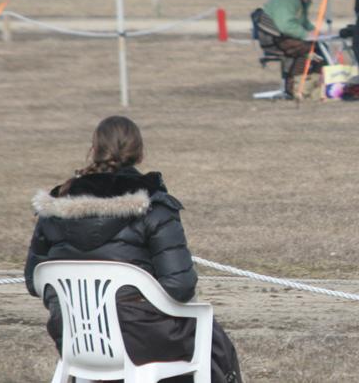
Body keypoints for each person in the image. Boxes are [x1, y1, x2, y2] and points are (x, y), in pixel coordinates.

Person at [25, 116, 242, 382]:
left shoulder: (53, 209)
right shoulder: (155, 207)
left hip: (75, 338)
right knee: (211, 339)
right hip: (144, 343)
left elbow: (33, 281)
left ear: (93, 150)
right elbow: (180, 286)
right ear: (140, 154)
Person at [262, 0, 326, 87]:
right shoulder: (287, 1)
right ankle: (295, 85)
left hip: (281, 37)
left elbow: (303, 22)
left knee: (319, 46)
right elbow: (285, 25)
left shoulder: (298, 0)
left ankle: (314, 82)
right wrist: (305, 35)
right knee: (310, 49)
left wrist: (315, 32)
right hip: (274, 39)